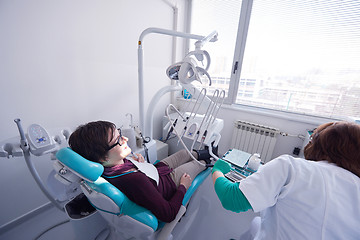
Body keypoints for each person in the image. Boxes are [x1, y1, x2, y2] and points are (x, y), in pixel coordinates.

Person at [212, 121, 360, 239]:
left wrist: (217, 170)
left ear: (318, 143)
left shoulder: (291, 166)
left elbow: (231, 198)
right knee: (256, 224)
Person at [68, 120, 211, 223]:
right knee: (197, 164)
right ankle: (210, 161)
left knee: (184, 153)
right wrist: (183, 187)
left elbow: (130, 174)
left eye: (120, 134)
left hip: (154, 172)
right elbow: (168, 214)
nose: (125, 139)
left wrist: (137, 163)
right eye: (118, 140)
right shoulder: (134, 180)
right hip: (168, 184)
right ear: (102, 157)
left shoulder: (109, 167)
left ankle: (209, 152)